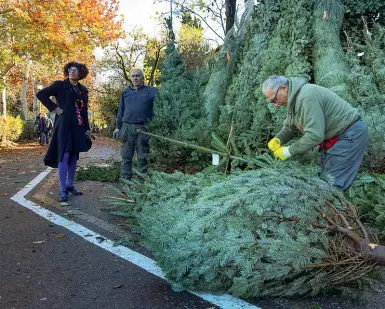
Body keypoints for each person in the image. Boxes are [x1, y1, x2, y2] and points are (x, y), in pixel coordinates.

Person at [262, 75, 368, 191]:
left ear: (283, 88)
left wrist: (288, 151)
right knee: (321, 178)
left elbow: (315, 136)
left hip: (349, 136)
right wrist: (278, 139)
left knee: (331, 185)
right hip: (335, 138)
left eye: (274, 100)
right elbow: (291, 127)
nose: (275, 105)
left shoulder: (307, 97)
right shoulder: (293, 99)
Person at [36, 62, 92, 202]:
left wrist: (88, 129)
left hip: (78, 127)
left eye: (76, 70)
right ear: (68, 72)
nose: (72, 72)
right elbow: (41, 94)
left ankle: (69, 185)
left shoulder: (83, 90)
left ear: (81, 73)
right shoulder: (59, 85)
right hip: (64, 126)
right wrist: (55, 109)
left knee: (74, 155)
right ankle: (62, 189)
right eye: (70, 70)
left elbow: (84, 112)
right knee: (64, 155)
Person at [113, 68, 158, 182]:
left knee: (143, 158)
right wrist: (118, 127)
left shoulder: (151, 91)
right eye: (133, 76)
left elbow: (160, 106)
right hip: (127, 128)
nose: (135, 78)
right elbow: (121, 110)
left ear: (143, 77)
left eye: (138, 76)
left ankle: (141, 185)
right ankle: (125, 183)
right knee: (126, 158)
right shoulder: (126, 92)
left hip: (143, 129)